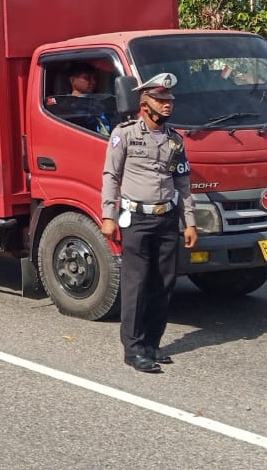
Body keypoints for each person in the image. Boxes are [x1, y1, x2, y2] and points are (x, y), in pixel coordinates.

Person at [100, 72, 198, 374]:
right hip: (136, 219)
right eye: (161, 100)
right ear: (144, 105)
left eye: (170, 100)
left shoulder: (175, 140)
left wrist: (190, 222)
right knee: (137, 283)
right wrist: (108, 216)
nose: (168, 104)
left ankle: (152, 344)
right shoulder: (125, 134)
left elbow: (183, 183)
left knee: (164, 283)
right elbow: (111, 175)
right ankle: (133, 349)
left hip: (167, 218)